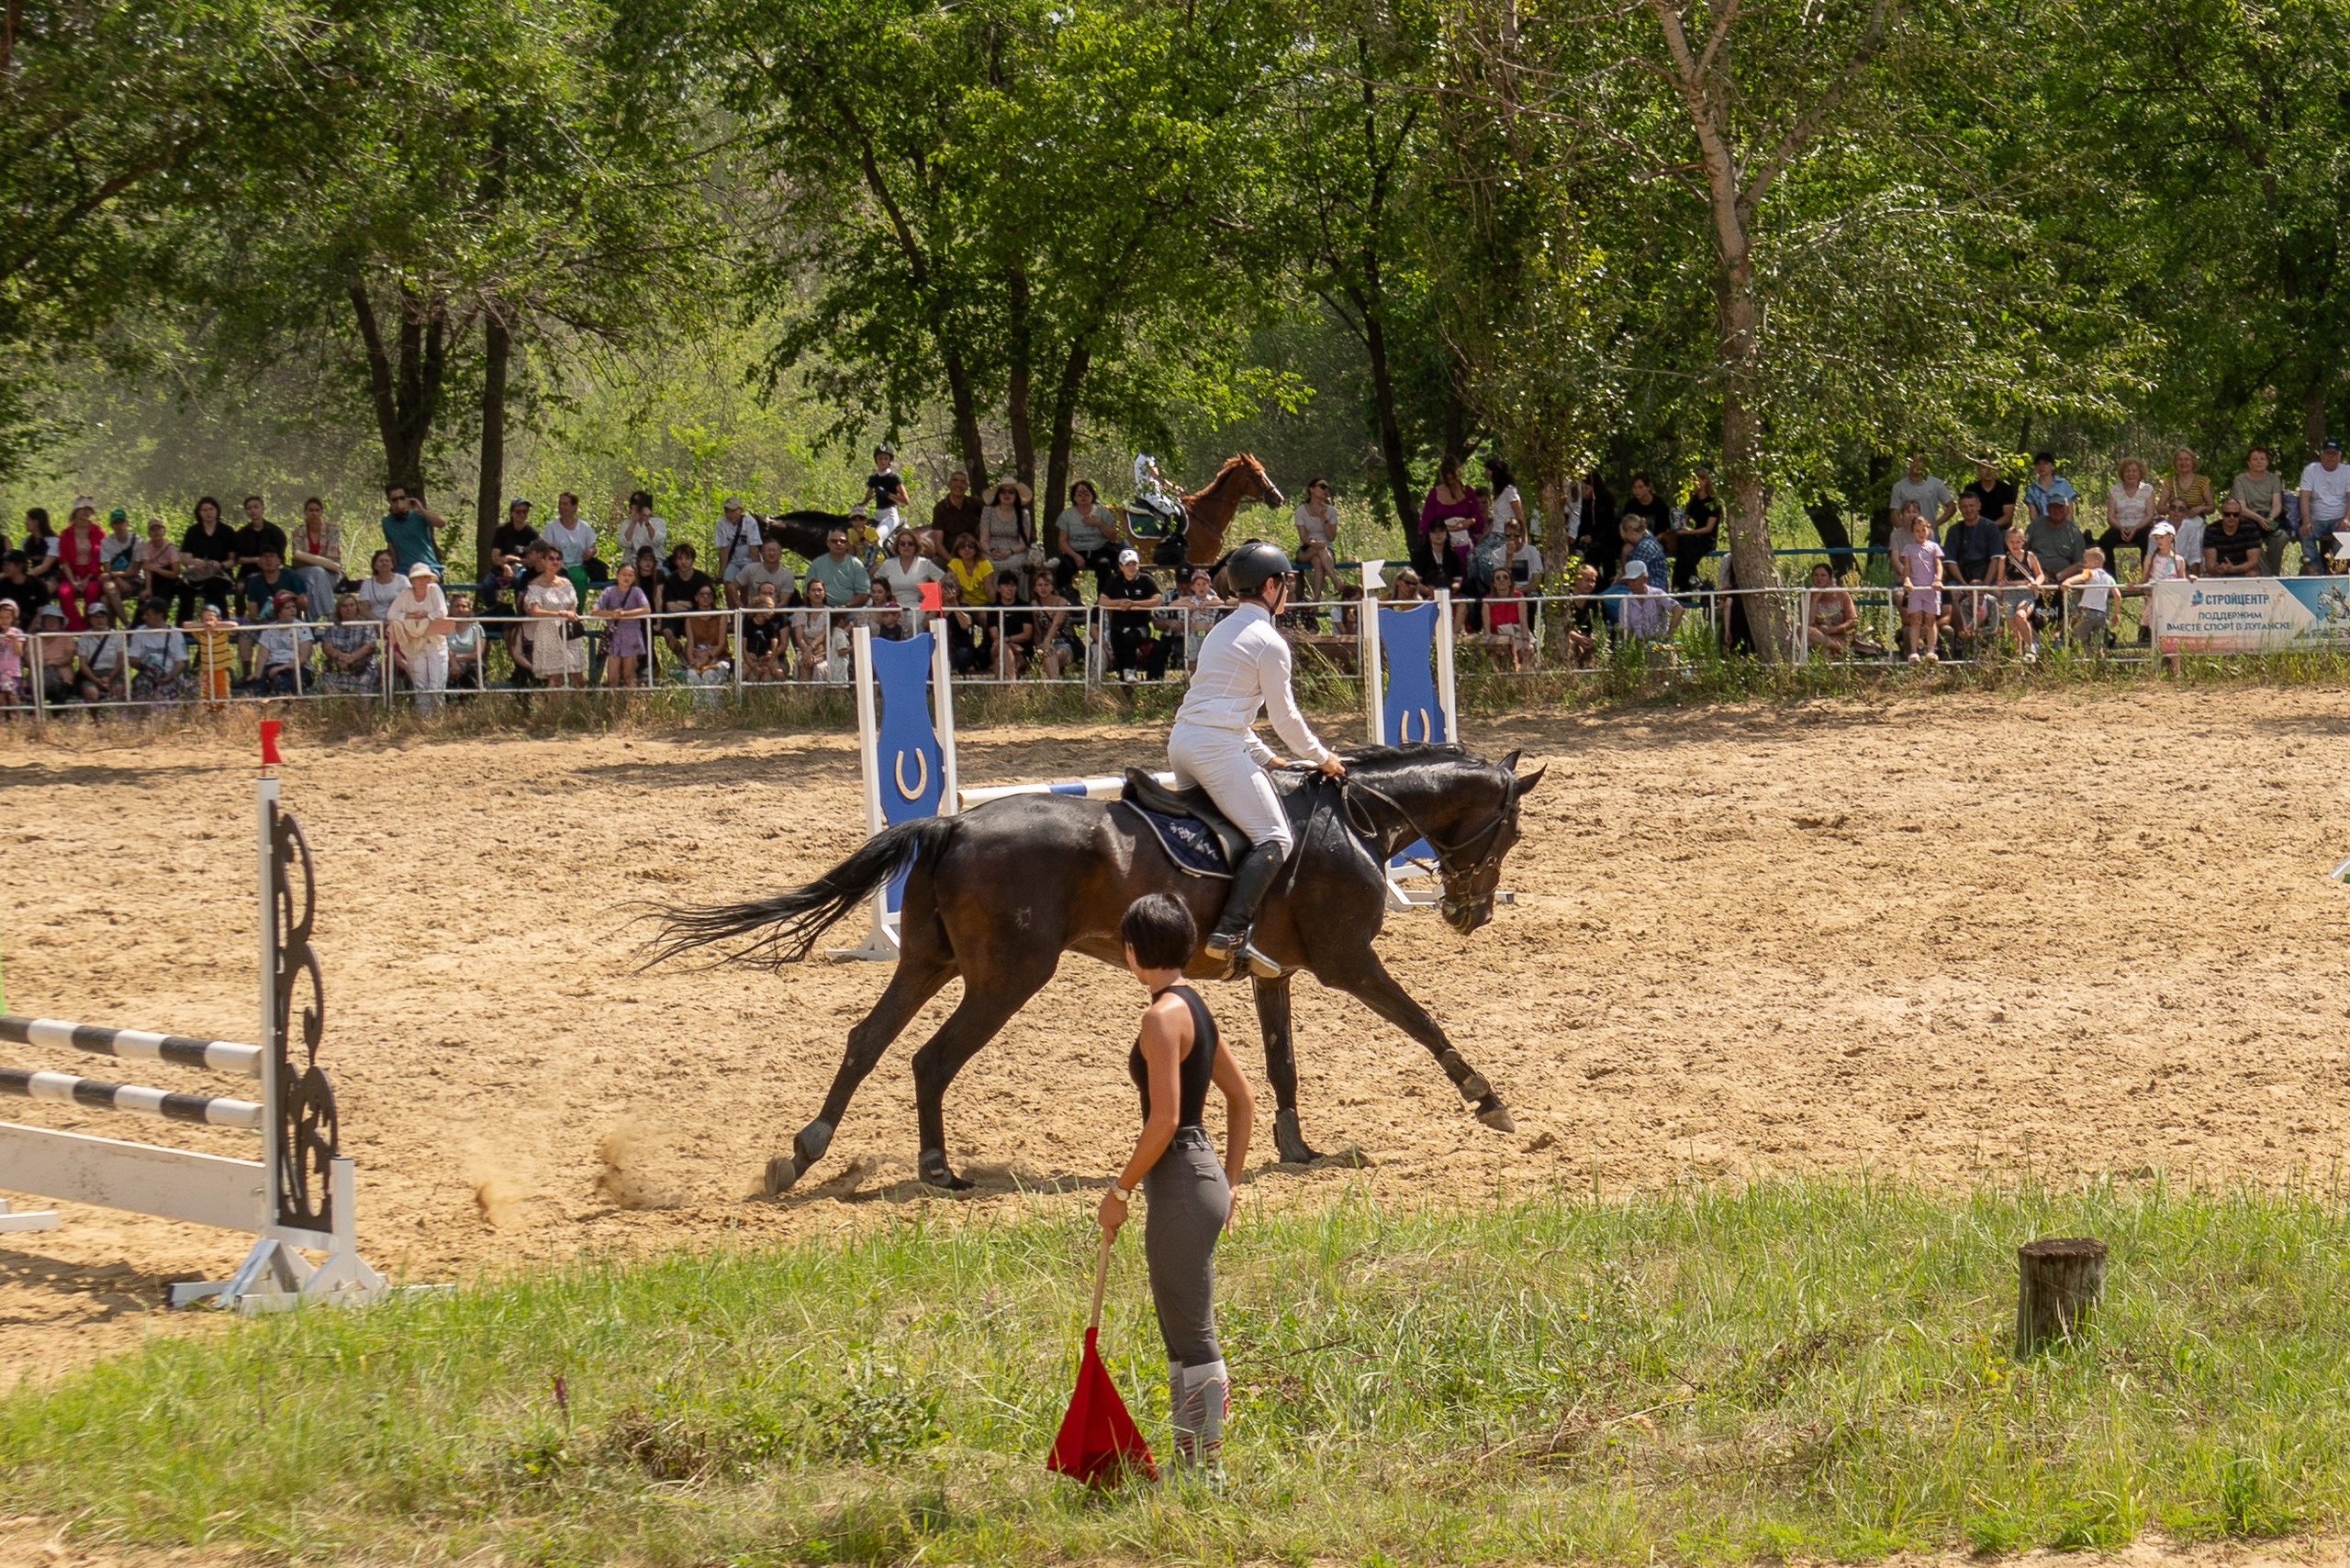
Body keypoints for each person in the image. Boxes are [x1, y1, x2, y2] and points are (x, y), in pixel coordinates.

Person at [1095, 892, 1252, 1482]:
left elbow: (1164, 1119)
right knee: (1180, 1331)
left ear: (1134, 952)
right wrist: (1230, 1183)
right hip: (1202, 1176)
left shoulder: (1160, 1017)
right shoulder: (1195, 1005)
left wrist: (1121, 1189)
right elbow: (1243, 1100)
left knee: (1192, 1332)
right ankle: (1189, 1464)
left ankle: (1206, 1474)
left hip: (1180, 1180)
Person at [1168, 542, 1343, 971]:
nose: (1290, 590)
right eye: (1286, 582)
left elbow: (1228, 709)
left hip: (1183, 743)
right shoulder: (1269, 641)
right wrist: (1323, 758)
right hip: (1215, 749)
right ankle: (1230, 931)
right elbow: (1285, 719)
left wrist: (1267, 759)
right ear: (1270, 585)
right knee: (1275, 837)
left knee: (1231, 829)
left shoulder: (1221, 631)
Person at [386, 562, 453, 711]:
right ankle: (424, 718)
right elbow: (391, 614)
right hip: (414, 643)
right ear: (412, 581)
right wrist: (411, 615)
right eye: (419, 578)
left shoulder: (435, 590)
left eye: (425, 578)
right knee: (420, 683)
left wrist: (426, 617)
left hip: (435, 642)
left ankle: (439, 717)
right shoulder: (406, 594)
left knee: (437, 684)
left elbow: (442, 612)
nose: (423, 581)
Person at [523, 542, 586, 687]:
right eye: (551, 558)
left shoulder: (566, 583)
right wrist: (559, 613)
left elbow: (572, 606)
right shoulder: (535, 585)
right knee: (555, 677)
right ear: (543, 561)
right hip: (548, 633)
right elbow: (535, 611)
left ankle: (581, 707)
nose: (555, 561)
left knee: (578, 676)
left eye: (558, 558)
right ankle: (553, 709)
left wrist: (569, 614)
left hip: (567, 633)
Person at [1102, 548, 1169, 679]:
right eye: (1127, 564)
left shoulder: (1146, 580)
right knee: (1120, 661)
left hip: (1140, 626)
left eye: (1134, 564)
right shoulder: (1114, 581)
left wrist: (1135, 605)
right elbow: (1102, 600)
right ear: (1121, 567)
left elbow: (1158, 600)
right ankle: (1126, 687)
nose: (1131, 567)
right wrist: (1119, 603)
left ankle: (1131, 669)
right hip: (1118, 628)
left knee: (1131, 638)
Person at [1419, 457, 1480, 589]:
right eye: (1448, 478)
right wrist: (1442, 528)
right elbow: (1426, 522)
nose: (1450, 481)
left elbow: (1477, 516)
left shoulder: (1468, 491)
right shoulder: (1434, 493)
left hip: (1466, 541)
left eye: (1453, 477)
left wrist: (1470, 521)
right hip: (1443, 542)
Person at [1053, 479, 1121, 595]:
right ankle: (1067, 599)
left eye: (1086, 494)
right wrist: (1076, 557)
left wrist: (1098, 524)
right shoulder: (1067, 515)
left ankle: (1103, 602)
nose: (1083, 497)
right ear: (1074, 498)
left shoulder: (1101, 511)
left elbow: (1113, 536)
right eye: (1079, 494)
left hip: (1099, 550)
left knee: (1104, 564)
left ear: (1092, 496)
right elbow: (1062, 542)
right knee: (1064, 566)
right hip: (1075, 551)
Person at [875, 527, 946, 635]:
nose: (906, 546)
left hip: (917, 608)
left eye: (910, 544)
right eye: (902, 544)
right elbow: (876, 584)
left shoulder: (924, 563)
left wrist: (930, 598)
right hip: (893, 610)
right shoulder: (888, 564)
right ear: (897, 546)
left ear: (916, 546)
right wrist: (887, 598)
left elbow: (945, 582)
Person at [1987, 526, 2045, 658]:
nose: (2015, 545)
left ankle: (2031, 648)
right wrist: (2001, 583)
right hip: (2009, 595)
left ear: (2023, 542)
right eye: (2011, 542)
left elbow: (2040, 575)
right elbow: (2000, 579)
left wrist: (2037, 583)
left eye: (2018, 542)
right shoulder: (2003, 560)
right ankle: (2017, 658)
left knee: (2020, 615)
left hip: (2026, 594)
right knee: (2013, 630)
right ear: (2007, 542)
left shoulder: (2030, 556)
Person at [594, 561, 652, 688]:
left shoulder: (637, 592)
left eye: (630, 575)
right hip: (614, 636)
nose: (627, 578)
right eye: (624, 574)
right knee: (612, 678)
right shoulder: (609, 592)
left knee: (628, 676)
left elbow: (646, 609)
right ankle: (613, 705)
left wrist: (625, 614)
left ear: (634, 577)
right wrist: (610, 614)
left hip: (631, 635)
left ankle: (632, 705)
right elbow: (595, 610)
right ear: (617, 575)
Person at [2232, 447, 2288, 576]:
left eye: (2262, 459)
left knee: (2282, 536)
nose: (2259, 462)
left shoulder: (2274, 479)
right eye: (2255, 459)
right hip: (2249, 519)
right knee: (2251, 540)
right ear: (2249, 462)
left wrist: (2271, 518)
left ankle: (2274, 573)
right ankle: (2267, 574)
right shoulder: (2240, 480)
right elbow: (2241, 508)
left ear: (2267, 462)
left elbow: (2277, 505)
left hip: (2269, 519)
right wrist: (2258, 519)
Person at [2298, 439, 2350, 574]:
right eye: (2328, 453)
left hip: (2339, 517)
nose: (2331, 456)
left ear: (2339, 456)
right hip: (2317, 518)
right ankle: (2317, 573)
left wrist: (2346, 519)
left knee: (2343, 538)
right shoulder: (2311, 470)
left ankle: (2337, 572)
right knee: (2305, 533)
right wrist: (2306, 521)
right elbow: (2304, 497)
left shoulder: (2347, 471)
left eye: (2334, 454)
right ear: (2321, 455)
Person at [2100, 457, 2157, 577]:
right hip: (2120, 527)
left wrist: (2135, 528)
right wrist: (2121, 528)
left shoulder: (2147, 490)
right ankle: (2110, 581)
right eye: (2127, 471)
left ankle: (2147, 580)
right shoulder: (2114, 490)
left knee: (2150, 542)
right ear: (2122, 474)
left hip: (2141, 526)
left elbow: (2149, 514)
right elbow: (2110, 515)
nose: (2131, 474)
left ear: (2140, 473)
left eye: (2134, 471)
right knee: (2104, 541)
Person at [179, 497, 238, 613]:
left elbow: (233, 560)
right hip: (197, 573)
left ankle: (218, 624)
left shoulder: (227, 531)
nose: (208, 513)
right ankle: (184, 628)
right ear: (199, 513)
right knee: (184, 587)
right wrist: (195, 562)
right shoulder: (193, 532)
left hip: (220, 574)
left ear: (217, 511)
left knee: (214, 586)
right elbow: (185, 558)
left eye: (211, 509)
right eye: (204, 510)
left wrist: (220, 565)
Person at [289, 498, 344, 619]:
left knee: (311, 585)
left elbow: (333, 559)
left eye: (317, 510)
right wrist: (320, 561)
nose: (314, 513)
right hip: (303, 572)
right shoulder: (298, 531)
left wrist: (307, 558)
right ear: (305, 513)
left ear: (322, 513)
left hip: (331, 573)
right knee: (317, 572)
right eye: (310, 510)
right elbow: (297, 556)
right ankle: (331, 614)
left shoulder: (332, 530)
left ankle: (311, 625)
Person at [126, 598, 188, 702]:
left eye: (148, 614)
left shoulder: (175, 633)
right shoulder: (139, 633)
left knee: (166, 695)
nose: (144, 617)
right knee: (140, 689)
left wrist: (169, 676)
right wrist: (145, 664)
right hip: (146, 674)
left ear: (160, 615)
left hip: (170, 674)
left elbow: (180, 663)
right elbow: (132, 659)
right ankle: (141, 716)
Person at [251, 591, 313, 696]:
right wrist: (257, 675)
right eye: (287, 608)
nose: (292, 610)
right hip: (272, 666)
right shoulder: (269, 629)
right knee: (256, 686)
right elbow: (262, 656)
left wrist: (281, 668)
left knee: (283, 683)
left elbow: (303, 658)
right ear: (279, 611)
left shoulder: (302, 627)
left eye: (293, 607)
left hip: (296, 667)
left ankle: (284, 710)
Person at [318, 593, 382, 694]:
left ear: (357, 607)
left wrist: (352, 657)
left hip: (363, 666)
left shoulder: (366, 623)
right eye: (345, 606)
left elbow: (368, 646)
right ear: (339, 609)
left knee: (362, 695)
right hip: (338, 664)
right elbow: (327, 646)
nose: (349, 608)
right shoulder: (332, 623)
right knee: (330, 693)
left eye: (352, 605)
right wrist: (339, 656)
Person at [978, 477, 1033, 592]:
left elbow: (1023, 543)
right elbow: (983, 540)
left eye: (1011, 492)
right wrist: (991, 551)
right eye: (1003, 492)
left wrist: (1009, 552)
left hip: (1015, 550)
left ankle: (1017, 600)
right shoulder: (988, 511)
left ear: (1016, 495)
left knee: (1017, 564)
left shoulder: (1023, 513)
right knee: (990, 565)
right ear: (998, 495)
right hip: (991, 549)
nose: (1007, 495)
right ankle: (993, 601)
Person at [979, 572, 1036, 678]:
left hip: (1021, 650)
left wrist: (1007, 639)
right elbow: (995, 636)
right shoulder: (993, 608)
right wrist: (1010, 644)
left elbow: (1027, 634)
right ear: (999, 589)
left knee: (999, 664)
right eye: (1006, 585)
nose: (1009, 589)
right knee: (1004, 647)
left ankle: (1002, 692)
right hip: (998, 646)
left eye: (1012, 585)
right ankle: (1012, 684)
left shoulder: (1024, 607)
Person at [379, 484, 446, 575]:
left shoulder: (418, 516)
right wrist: (394, 570)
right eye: (394, 500)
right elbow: (392, 548)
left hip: (427, 565)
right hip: (404, 569)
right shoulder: (387, 522)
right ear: (389, 501)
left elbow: (441, 524)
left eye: (402, 498)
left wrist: (421, 510)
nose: (399, 502)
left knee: (422, 582)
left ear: (407, 498)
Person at [2063, 547, 2120, 653]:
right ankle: (2099, 665)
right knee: (2099, 644)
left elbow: (2082, 577)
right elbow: (2118, 595)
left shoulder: (2090, 572)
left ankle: (2085, 660)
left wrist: (2068, 581)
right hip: (2102, 614)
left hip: (2086, 611)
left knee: (2078, 639)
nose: (2084, 565)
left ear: (2096, 562)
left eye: (2086, 562)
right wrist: (2116, 613)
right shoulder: (2109, 578)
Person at [1292, 477, 1339, 602]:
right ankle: (1337, 582)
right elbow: (1303, 537)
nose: (1326, 490)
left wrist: (1322, 517)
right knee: (1320, 549)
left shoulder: (1331, 511)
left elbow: (1331, 537)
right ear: (1312, 490)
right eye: (1322, 487)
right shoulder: (1301, 511)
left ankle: (1316, 601)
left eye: (1327, 488)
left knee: (1318, 562)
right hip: (1306, 549)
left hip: (1326, 549)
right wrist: (1313, 543)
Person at [1671, 471, 1720, 591]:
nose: (1694, 485)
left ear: (1704, 481)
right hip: (1694, 537)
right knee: (1683, 546)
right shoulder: (1694, 501)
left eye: (1696, 481)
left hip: (1707, 539)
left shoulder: (1713, 502)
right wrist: (1676, 525)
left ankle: (1682, 584)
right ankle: (1690, 579)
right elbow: (1684, 520)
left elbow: (1708, 528)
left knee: (1686, 547)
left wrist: (1688, 532)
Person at [794, 577, 850, 682]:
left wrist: (811, 648)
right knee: (804, 664)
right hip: (804, 649)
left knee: (819, 668)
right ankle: (805, 697)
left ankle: (819, 697)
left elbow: (825, 634)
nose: (817, 593)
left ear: (824, 593)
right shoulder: (800, 612)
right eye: (813, 590)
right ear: (807, 594)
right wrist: (807, 652)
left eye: (820, 590)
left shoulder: (829, 612)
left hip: (824, 650)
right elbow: (799, 637)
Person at [805, 527, 873, 614]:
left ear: (848, 545)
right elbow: (806, 592)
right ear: (828, 543)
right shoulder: (816, 564)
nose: (838, 543)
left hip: (850, 611)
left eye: (842, 541)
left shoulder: (856, 564)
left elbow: (864, 593)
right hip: (822, 611)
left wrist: (846, 606)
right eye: (834, 541)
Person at [182, 600, 237, 706]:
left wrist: (215, 625)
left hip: (221, 669)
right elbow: (186, 625)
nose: (208, 622)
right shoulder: (200, 632)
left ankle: (222, 713)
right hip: (207, 669)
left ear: (218, 618)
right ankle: (209, 713)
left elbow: (234, 625)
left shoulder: (223, 631)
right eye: (205, 619)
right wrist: (204, 625)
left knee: (222, 693)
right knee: (207, 695)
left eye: (211, 619)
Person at [232, 496, 289, 591]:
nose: (253, 511)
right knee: (239, 588)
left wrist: (265, 568)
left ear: (263, 509)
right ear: (246, 511)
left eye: (256, 507)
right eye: (249, 508)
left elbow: (280, 557)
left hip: (273, 571)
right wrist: (256, 559)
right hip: (248, 572)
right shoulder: (241, 534)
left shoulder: (275, 532)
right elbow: (239, 559)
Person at [73, 603, 127, 703]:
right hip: (92, 673)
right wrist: (95, 680)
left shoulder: (116, 636)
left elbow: (121, 661)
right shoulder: (84, 638)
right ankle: (96, 718)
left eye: (102, 617)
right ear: (90, 619)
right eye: (96, 617)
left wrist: (110, 677)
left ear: (107, 618)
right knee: (91, 693)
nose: (99, 620)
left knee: (118, 689)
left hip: (113, 673)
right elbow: (83, 664)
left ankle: (115, 716)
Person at [713, 497, 765, 601]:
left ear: (740, 510)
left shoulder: (749, 522)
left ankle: (745, 612)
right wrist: (722, 571)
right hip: (733, 562)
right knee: (728, 582)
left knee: (746, 583)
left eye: (733, 511)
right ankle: (735, 612)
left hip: (749, 560)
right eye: (727, 511)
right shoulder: (721, 524)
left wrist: (759, 568)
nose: (729, 514)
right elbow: (723, 549)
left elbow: (753, 548)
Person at [1890, 453, 1956, 532]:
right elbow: (1894, 513)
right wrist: (1903, 532)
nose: (1916, 464)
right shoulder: (1899, 487)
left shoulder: (1936, 484)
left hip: (1930, 534)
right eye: (1912, 461)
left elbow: (1951, 507)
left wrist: (1935, 525)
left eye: (1919, 461)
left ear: (1924, 464)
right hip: (1908, 537)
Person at [1803, 563, 1858, 657]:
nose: (1819, 578)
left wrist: (1833, 630)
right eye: (1816, 575)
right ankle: (1840, 649)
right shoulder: (1807, 595)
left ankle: (1834, 648)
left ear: (1830, 578)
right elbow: (1809, 624)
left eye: (1823, 575)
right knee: (1805, 631)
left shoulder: (1842, 594)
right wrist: (1815, 599)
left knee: (1824, 649)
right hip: (1816, 636)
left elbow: (1853, 621)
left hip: (1839, 635)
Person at [2157, 447, 2214, 539]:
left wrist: (2200, 508)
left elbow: (2212, 508)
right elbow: (2160, 508)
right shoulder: (2169, 482)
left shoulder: (2203, 482)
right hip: (2175, 524)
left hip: (2197, 523)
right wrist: (2176, 510)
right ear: (2175, 463)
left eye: (2186, 459)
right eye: (2180, 460)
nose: (2183, 463)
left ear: (2193, 462)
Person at [1034, 577, 1084, 679]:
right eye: (1040, 585)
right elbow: (1037, 631)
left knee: (1052, 655)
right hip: (1044, 645)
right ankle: (1056, 690)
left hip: (1064, 643)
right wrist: (1037, 649)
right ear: (1035, 588)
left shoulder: (1062, 602)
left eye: (1046, 585)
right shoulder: (1034, 604)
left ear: (1052, 587)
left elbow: (1056, 623)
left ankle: (1054, 690)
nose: (1043, 588)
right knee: (1048, 654)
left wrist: (1047, 642)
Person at [1482, 567, 1530, 670]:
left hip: (1517, 634)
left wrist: (1526, 641)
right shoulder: (1487, 601)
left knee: (1528, 651)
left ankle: (1522, 677)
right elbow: (1487, 629)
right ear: (1494, 584)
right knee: (1500, 653)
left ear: (1510, 582)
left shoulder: (1519, 597)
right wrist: (1490, 643)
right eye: (1498, 578)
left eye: (1505, 577)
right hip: (1498, 636)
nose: (1502, 580)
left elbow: (1524, 622)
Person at [542, 492, 600, 576]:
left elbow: (593, 547)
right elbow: (544, 549)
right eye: (560, 504)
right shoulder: (551, 527)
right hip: (557, 568)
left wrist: (590, 552)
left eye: (565, 504)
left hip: (579, 568)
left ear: (574, 507)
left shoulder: (584, 527)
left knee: (578, 578)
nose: (562, 507)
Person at [932, 468, 985, 559]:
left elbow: (987, 523)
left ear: (967, 486)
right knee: (935, 562)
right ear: (949, 484)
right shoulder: (940, 508)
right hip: (950, 554)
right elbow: (938, 543)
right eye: (955, 480)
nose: (959, 484)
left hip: (972, 552)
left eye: (962, 482)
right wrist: (953, 563)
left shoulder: (975, 504)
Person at [2202, 500, 2264, 578]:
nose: (2231, 517)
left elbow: (2253, 562)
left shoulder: (2251, 529)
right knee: (2208, 575)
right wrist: (2217, 568)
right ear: (2222, 514)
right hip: (2220, 572)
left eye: (2235, 514)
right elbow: (2210, 565)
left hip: (2244, 571)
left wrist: (2234, 569)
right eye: (2227, 514)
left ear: (2240, 514)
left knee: (2253, 573)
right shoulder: (2211, 530)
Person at [136, 518, 182, 619]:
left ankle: (160, 622)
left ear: (163, 531)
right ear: (149, 533)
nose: (156, 532)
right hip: (152, 578)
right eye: (153, 530)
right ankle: (138, 627)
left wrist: (155, 569)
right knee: (144, 598)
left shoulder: (171, 549)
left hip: (168, 578)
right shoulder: (146, 547)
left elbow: (175, 573)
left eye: (158, 529)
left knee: (162, 599)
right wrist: (148, 588)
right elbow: (147, 569)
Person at [742, 584, 788, 681]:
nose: (772, 612)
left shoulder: (773, 622)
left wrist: (770, 657)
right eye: (764, 593)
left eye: (771, 593)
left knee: (770, 676)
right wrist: (751, 661)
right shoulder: (748, 621)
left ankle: (787, 693)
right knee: (748, 675)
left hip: (771, 658)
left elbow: (778, 644)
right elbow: (743, 645)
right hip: (752, 658)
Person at [1960, 457, 2019, 533]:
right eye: (1984, 467)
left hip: (1999, 531)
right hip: (1975, 530)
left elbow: (2008, 517)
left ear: (1997, 470)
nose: (1989, 471)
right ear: (1978, 469)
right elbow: (1967, 512)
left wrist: (1989, 527)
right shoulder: (1971, 489)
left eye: (1992, 467)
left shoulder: (2006, 489)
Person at [865, 444, 910, 541]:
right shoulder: (874, 478)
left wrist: (887, 494)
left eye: (886, 459)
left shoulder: (893, 478)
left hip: (890, 515)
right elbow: (867, 498)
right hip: (877, 515)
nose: (883, 461)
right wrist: (859, 506)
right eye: (880, 458)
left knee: (876, 538)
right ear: (876, 460)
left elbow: (906, 500)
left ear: (890, 461)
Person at [2021, 453, 2077, 527]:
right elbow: (2033, 515)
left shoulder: (2064, 484)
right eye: (2038, 464)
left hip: (2064, 527)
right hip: (2042, 528)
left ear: (2052, 467)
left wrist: (2064, 529)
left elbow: (2069, 512)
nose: (2041, 466)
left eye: (2045, 463)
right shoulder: (2032, 489)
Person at [946, 531, 992, 607]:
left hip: (983, 604)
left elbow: (989, 590)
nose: (967, 549)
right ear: (958, 550)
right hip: (962, 603)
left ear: (975, 550)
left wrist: (994, 607)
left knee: (983, 617)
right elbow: (952, 588)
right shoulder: (954, 563)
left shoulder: (984, 563)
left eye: (970, 546)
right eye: (962, 547)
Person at [356, 549, 404, 622]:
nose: (384, 563)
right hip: (374, 622)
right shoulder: (367, 584)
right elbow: (363, 608)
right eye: (381, 561)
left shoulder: (402, 580)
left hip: (397, 621)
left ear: (392, 565)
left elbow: (408, 601)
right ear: (375, 566)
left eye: (387, 561)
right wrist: (378, 622)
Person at [619, 490, 667, 561]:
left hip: (655, 559)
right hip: (633, 559)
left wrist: (647, 521)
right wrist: (633, 522)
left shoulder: (659, 522)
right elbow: (624, 543)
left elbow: (657, 541)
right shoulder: (626, 523)